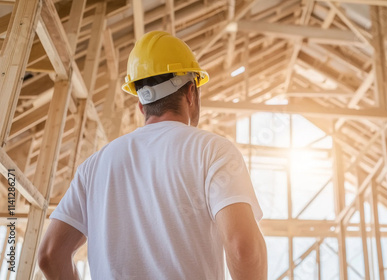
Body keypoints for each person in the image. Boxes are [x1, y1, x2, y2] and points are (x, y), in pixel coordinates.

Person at [38, 31, 267, 280]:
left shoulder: (93, 166)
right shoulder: (213, 151)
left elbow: (50, 255)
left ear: (141, 104)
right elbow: (243, 249)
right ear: (191, 93)